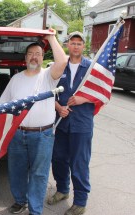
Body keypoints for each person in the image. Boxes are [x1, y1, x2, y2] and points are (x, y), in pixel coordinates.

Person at [0, 31, 67, 215]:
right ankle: (20, 201)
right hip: (17, 134)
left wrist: (51, 38)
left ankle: (35, 210)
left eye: (38, 54)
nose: (34, 57)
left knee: (39, 173)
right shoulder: (16, 79)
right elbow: (2, 106)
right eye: (30, 54)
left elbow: (62, 62)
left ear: (43, 57)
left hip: (43, 135)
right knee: (16, 170)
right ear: (25, 57)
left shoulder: (48, 77)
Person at [47, 31, 93, 215]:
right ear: (67, 45)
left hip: (81, 124)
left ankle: (80, 201)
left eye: (79, 43)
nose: (75, 46)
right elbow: (48, 92)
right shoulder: (59, 66)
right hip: (61, 122)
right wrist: (58, 107)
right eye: (72, 43)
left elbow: (103, 94)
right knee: (58, 159)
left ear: (83, 46)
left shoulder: (91, 68)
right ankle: (62, 190)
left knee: (79, 162)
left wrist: (84, 99)